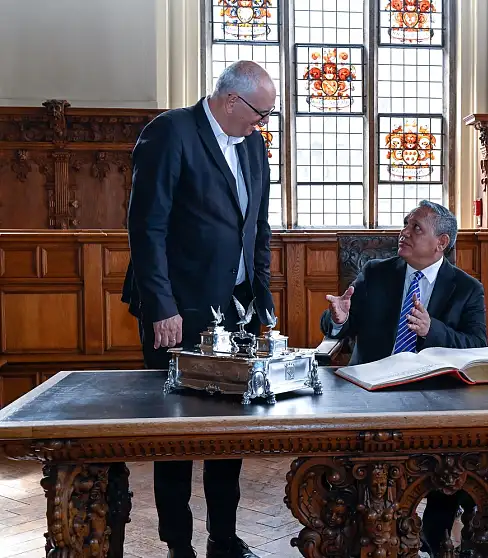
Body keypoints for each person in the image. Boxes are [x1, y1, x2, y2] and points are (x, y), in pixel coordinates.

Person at [121, 60, 277, 558]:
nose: (263, 125)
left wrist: (262, 296)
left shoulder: (253, 146)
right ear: (230, 100)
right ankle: (178, 544)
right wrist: (161, 305)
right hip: (178, 311)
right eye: (260, 114)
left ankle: (224, 538)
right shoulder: (169, 133)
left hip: (235, 311)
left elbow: (257, 228)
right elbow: (147, 228)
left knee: (230, 430)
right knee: (177, 435)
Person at [320, 200, 487, 555]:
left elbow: (476, 346)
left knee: (455, 457)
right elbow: (338, 326)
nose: (404, 234)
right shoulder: (376, 272)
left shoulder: (466, 288)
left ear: (441, 243)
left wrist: (433, 330)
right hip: (373, 391)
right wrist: (337, 318)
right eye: (405, 225)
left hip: (435, 397)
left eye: (416, 229)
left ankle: (434, 534)